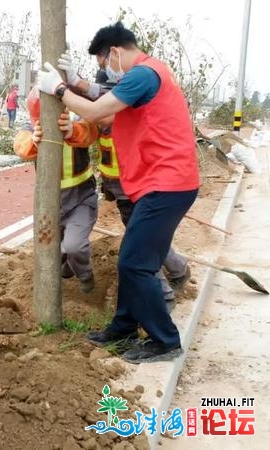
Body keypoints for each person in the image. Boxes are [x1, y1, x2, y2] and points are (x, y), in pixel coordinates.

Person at [37, 22, 199, 364]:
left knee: (135, 264)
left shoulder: (142, 73)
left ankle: (164, 340)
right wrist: (76, 82)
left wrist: (60, 90)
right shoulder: (148, 72)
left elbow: (98, 110)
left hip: (166, 185)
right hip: (162, 183)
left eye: (103, 62)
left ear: (114, 52)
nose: (105, 70)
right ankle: (123, 327)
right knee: (132, 259)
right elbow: (103, 93)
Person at [59, 68, 191, 309]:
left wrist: (76, 83)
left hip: (138, 191)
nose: (98, 104)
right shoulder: (100, 122)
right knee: (147, 239)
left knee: (140, 246)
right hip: (122, 192)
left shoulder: (127, 115)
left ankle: (164, 294)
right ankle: (178, 268)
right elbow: (86, 131)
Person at [13, 87, 97, 294]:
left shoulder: (76, 120)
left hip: (81, 198)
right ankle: (66, 269)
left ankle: (85, 276)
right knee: (52, 249)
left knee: (74, 246)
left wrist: (72, 130)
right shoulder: (32, 127)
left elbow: (90, 132)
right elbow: (20, 145)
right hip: (50, 202)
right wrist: (33, 141)